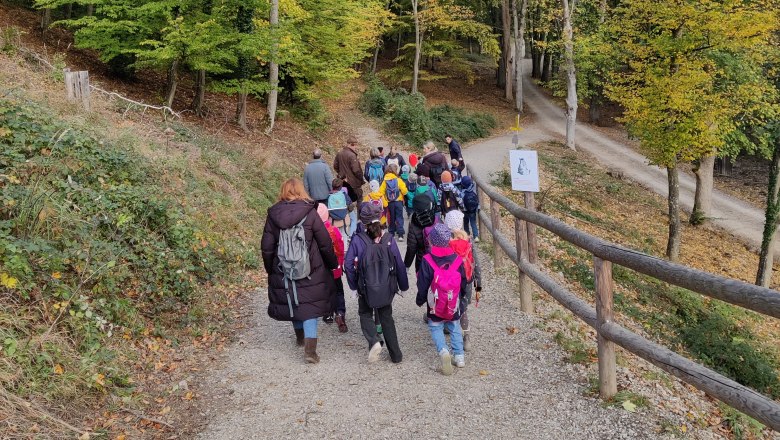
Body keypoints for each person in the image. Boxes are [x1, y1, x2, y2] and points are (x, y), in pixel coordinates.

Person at [261, 178, 338, 364]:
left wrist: (270, 268)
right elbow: (325, 242)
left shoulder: (273, 214)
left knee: (292, 301)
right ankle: (310, 351)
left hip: (283, 266)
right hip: (310, 266)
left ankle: (300, 336)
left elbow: (267, 246)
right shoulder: (310, 213)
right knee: (309, 306)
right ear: (302, 191)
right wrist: (331, 262)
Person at [345, 204, 408, 363]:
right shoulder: (388, 239)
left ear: (362, 221)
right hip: (386, 287)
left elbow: (348, 264)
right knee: (386, 316)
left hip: (365, 287)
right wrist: (403, 286)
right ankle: (396, 355)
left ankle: (374, 340)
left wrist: (353, 286)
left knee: (365, 313)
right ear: (380, 218)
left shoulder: (358, 240)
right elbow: (399, 264)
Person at [416, 223, 467, 375]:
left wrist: (420, 299)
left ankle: (444, 351)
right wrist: (461, 297)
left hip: (435, 303)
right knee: (455, 327)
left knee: (435, 327)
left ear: (431, 241)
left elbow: (423, 284)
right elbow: (463, 281)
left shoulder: (427, 260)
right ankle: (459, 356)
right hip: (453, 301)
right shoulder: (457, 259)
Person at [445, 210, 482, 351]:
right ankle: (466, 337)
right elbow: (476, 265)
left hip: (450, 282)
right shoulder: (469, 241)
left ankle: (451, 330)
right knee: (463, 308)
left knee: (451, 305)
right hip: (466, 281)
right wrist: (479, 287)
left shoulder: (446, 241)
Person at [317, 204, 349, 332]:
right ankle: (340, 312)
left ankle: (328, 313)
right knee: (338, 290)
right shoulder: (334, 230)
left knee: (324, 291)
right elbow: (341, 249)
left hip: (321, 270)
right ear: (328, 215)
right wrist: (340, 264)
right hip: (335, 268)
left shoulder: (314, 233)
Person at [404, 191, 437, 273]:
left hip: (422, 261)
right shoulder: (437, 220)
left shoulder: (413, 224)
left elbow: (411, 248)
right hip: (437, 259)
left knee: (422, 284)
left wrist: (407, 265)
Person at [379, 164, 408, 242]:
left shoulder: (385, 181)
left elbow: (380, 192)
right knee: (399, 217)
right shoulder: (398, 180)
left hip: (390, 202)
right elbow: (405, 191)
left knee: (391, 217)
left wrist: (385, 199)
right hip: (398, 201)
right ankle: (400, 234)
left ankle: (391, 233)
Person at [334, 136, 365, 205]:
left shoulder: (339, 153)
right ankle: (359, 215)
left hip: (342, 181)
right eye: (355, 146)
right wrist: (361, 178)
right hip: (353, 183)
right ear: (352, 144)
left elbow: (335, 166)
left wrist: (341, 174)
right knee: (359, 199)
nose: (356, 148)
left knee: (345, 200)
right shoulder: (352, 155)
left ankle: (348, 215)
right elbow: (356, 170)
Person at [461, 176, 480, 242]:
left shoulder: (462, 192)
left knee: (466, 223)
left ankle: (467, 235)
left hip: (465, 210)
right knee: (473, 223)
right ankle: (476, 236)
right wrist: (478, 207)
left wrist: (461, 208)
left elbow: (461, 201)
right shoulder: (474, 190)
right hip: (473, 210)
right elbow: (477, 199)